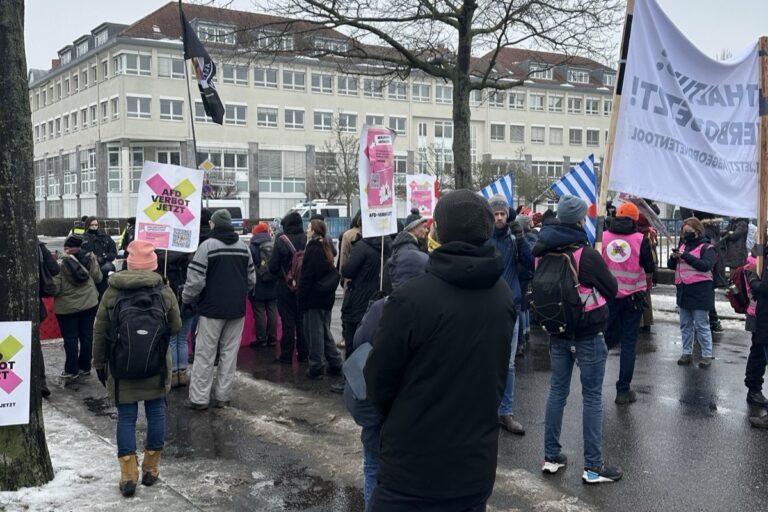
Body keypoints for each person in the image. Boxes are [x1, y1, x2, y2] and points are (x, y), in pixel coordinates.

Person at [364, 189, 515, 510]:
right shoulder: (502, 294)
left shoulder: (410, 298)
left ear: (439, 232)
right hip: (475, 467)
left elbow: (378, 382)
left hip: (412, 472)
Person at [534, 195, 621, 484]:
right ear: (581, 220)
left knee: (557, 392)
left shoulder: (543, 251)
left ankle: (551, 456)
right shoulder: (587, 255)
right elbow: (612, 288)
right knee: (593, 397)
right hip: (588, 334)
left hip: (557, 333)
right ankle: (593, 466)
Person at [92, 240, 181, 497]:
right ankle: (151, 470)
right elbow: (175, 327)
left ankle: (128, 476)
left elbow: (100, 330)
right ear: (153, 264)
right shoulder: (163, 290)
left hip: (122, 367)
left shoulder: (113, 291)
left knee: (127, 418)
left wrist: (99, 363)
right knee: (156, 414)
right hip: (155, 366)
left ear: (128, 263)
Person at [345, 248, 428, 510]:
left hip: (380, 412)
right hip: (417, 413)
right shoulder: (433, 307)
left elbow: (359, 341)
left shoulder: (383, 308)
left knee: (373, 469)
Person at [182, 209, 256, 409]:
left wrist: (187, 298)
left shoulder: (207, 246)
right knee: (229, 355)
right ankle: (223, 397)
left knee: (205, 355)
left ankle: (199, 399)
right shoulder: (243, 247)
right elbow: (251, 280)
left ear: (214, 224)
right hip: (236, 310)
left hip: (211, 310)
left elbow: (195, 280)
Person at [485, 194, 533, 435]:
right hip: (487, 308)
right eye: (495, 214)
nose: (500, 218)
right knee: (486, 361)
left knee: (510, 364)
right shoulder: (483, 241)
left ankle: (506, 411)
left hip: (512, 307)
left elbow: (530, 264)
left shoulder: (515, 240)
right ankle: (486, 410)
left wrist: (523, 239)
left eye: (502, 213)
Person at [601, 202, 655, 405]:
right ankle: (623, 391)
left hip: (608, 297)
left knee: (603, 340)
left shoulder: (603, 237)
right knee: (628, 344)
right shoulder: (640, 240)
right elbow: (649, 266)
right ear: (634, 220)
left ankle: (594, 385)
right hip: (633, 297)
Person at [667, 217, 716, 368]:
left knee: (702, 325)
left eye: (688, 231)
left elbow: (705, 266)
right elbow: (672, 266)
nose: (685, 234)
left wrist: (685, 256)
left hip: (700, 292)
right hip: (683, 291)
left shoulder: (707, 248)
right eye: (683, 231)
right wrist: (673, 258)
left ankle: (706, 355)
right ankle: (686, 352)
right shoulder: (683, 245)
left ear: (697, 231)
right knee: (685, 325)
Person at [53, 234, 102, 381]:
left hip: (67, 308)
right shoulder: (90, 258)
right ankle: (85, 367)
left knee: (70, 338)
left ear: (66, 248)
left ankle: (71, 370)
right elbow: (98, 278)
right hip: (90, 303)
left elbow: (55, 289)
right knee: (87, 336)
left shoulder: (59, 264)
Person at [298, 219, 343, 379]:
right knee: (324, 331)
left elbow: (308, 276)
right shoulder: (327, 246)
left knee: (314, 333)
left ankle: (316, 365)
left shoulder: (313, 249)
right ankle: (336, 361)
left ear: (315, 231)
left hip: (314, 297)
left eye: (309, 228)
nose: (306, 230)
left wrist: (301, 296)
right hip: (326, 297)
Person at [341, 235, 391, 358]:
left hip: (358, 298)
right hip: (378, 296)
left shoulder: (362, 247)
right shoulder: (388, 246)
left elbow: (347, 270)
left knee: (353, 343)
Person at [268, 211, 308, 364]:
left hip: (285, 287)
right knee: (301, 320)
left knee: (288, 321)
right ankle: (304, 354)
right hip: (304, 287)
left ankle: (286, 355)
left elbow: (272, 266)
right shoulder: (306, 239)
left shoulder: (281, 241)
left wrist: (284, 275)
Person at [156, 249, 193, 387]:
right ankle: (182, 374)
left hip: (169, 305)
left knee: (171, 340)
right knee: (182, 339)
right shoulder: (188, 258)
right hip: (187, 304)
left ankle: (172, 374)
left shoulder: (161, 259)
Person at [741, 254, 768, 411]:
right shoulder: (757, 258)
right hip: (758, 313)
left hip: (762, 313)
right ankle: (754, 389)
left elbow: (763, 287)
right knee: (757, 352)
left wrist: (753, 280)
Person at [249, 223, 278, 348]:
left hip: (258, 284)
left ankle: (261, 339)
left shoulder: (253, 246)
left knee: (259, 312)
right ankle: (272, 338)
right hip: (272, 283)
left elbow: (250, 265)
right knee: (272, 311)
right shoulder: (274, 244)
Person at [38, 239, 60, 397]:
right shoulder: (38, 246)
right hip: (33, 302)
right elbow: (54, 269)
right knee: (32, 344)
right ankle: (39, 382)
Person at [81, 216, 117, 299]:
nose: (94, 227)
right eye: (92, 225)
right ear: (87, 225)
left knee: (104, 294)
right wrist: (91, 258)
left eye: (96, 225)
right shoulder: (83, 238)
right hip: (89, 270)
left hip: (104, 270)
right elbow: (80, 254)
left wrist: (104, 257)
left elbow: (113, 253)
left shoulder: (105, 237)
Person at [636, 214, 658, 333]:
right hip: (649, 268)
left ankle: (640, 323)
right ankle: (648, 322)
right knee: (647, 295)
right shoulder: (651, 233)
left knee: (638, 296)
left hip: (641, 269)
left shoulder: (639, 235)